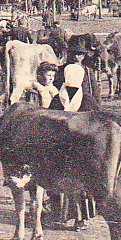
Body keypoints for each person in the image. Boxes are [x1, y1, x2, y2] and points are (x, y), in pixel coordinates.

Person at [48, 63, 97, 230]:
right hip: (76, 150)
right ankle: (79, 219)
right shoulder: (88, 100)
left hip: (65, 149)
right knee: (78, 185)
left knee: (64, 183)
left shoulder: (57, 99)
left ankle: (62, 216)